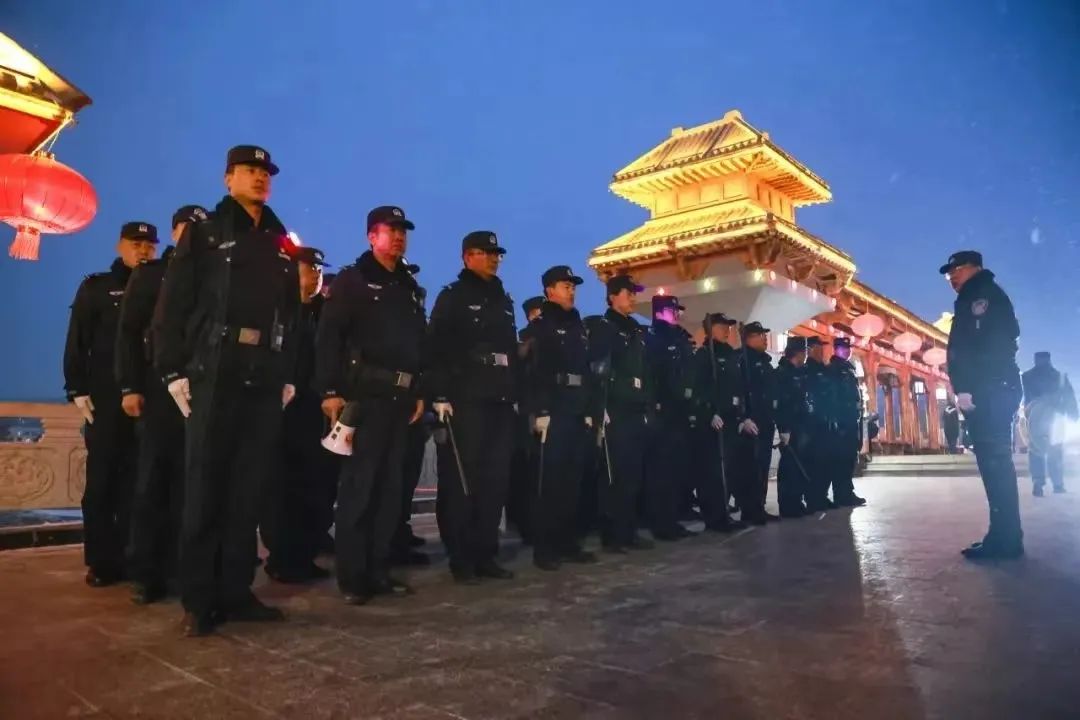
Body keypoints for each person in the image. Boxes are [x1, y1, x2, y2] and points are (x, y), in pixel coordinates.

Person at [155, 145, 299, 635]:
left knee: (247, 489)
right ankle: (199, 599)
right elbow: (174, 303)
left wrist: (288, 373)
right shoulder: (207, 232)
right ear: (228, 178)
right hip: (216, 368)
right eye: (249, 171)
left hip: (264, 372)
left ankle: (237, 591)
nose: (259, 178)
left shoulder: (280, 240)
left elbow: (291, 314)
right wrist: (172, 371)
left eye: (265, 173)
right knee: (205, 486)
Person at [315, 205, 426, 604]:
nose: (398, 237)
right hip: (365, 398)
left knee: (389, 492)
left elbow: (418, 343)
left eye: (402, 231)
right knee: (359, 490)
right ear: (371, 236)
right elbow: (329, 337)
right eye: (389, 230)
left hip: (401, 399)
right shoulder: (354, 280)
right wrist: (330, 389)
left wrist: (419, 390)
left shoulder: (407, 286)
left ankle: (379, 570)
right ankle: (353, 577)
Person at [117, 208, 203, 604]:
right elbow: (129, 334)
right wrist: (130, 386)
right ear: (173, 233)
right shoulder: (151, 275)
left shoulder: (211, 276)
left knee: (192, 484)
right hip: (158, 389)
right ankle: (146, 572)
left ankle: (184, 569)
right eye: (186, 228)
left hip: (200, 390)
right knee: (153, 480)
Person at [65, 221, 157, 587]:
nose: (143, 250)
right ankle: (102, 562)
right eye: (136, 243)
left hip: (149, 399)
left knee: (141, 483)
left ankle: (138, 557)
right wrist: (76, 388)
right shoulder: (97, 288)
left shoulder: (161, 288)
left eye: (149, 245)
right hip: (105, 399)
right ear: (120, 245)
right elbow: (78, 340)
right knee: (102, 481)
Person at [427, 231, 519, 583]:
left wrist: (514, 393)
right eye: (486, 252)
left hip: (499, 400)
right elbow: (436, 348)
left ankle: (486, 553)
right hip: (466, 400)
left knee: (495, 482)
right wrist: (439, 394)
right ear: (467, 257)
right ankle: (461, 557)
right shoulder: (453, 297)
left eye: (497, 253)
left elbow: (510, 351)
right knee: (462, 481)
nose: (494, 258)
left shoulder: (503, 299)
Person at [261, 245, 339, 583]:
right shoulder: (277, 309)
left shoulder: (324, 313)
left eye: (319, 270)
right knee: (282, 489)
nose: (316, 276)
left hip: (315, 411)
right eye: (309, 269)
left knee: (315, 485)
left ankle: (305, 552)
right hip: (281, 413)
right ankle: (281, 558)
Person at [940, 250, 1024, 560]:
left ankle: (1005, 540)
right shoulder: (972, 297)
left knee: (996, 465)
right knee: (993, 466)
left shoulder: (984, 297)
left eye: (957, 269)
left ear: (975, 268)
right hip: (988, 390)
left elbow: (991, 348)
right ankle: (1004, 535)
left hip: (991, 391)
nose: (952, 276)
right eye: (949, 273)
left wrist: (971, 387)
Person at [524, 266, 596, 570]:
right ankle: (545, 548)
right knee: (549, 482)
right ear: (549, 290)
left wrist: (589, 409)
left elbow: (586, 369)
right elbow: (534, 371)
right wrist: (540, 411)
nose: (571, 291)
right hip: (553, 409)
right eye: (566, 286)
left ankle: (568, 542)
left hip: (576, 409)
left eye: (573, 286)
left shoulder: (578, 325)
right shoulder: (541, 326)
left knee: (572, 482)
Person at [586, 276, 657, 552]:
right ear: (613, 296)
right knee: (614, 474)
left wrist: (647, 404)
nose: (633, 298)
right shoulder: (605, 328)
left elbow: (644, 371)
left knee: (633, 475)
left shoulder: (635, 330)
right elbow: (596, 369)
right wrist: (599, 407)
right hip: (614, 409)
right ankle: (612, 534)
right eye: (629, 293)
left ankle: (628, 531)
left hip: (636, 408)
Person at [644, 295, 698, 540]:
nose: (676, 314)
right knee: (662, 471)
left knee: (677, 470)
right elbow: (653, 376)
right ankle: (662, 523)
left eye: (677, 310)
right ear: (659, 312)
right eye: (671, 310)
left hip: (680, 411)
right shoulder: (654, 338)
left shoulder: (680, 337)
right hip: (663, 412)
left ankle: (673, 519)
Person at [692, 312, 748, 531]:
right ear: (711, 328)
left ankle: (723, 513)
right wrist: (709, 413)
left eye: (728, 326)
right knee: (713, 473)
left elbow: (738, 387)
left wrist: (741, 415)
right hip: (713, 422)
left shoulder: (730, 355)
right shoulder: (704, 355)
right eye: (722, 326)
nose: (727, 330)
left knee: (728, 470)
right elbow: (698, 388)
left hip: (731, 421)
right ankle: (714, 518)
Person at [506, 296, 546, 544]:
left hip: (542, 411)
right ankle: (526, 524)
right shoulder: (525, 340)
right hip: (526, 413)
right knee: (528, 472)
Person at [733, 322, 778, 525]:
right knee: (751, 469)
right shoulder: (742, 360)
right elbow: (738, 390)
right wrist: (743, 417)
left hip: (766, 421)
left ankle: (759, 506)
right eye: (761, 335)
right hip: (751, 422)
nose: (765, 339)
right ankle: (749, 510)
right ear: (749, 338)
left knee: (762, 468)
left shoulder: (764, 361)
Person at [1021, 352, 1077, 495]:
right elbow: (1069, 397)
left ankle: (1038, 482)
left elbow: (1024, 397)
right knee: (1055, 449)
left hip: (1035, 416)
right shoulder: (1060, 376)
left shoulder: (1027, 377)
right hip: (1055, 417)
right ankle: (1057, 484)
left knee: (1036, 449)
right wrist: (1073, 414)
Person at [825, 337, 867, 507]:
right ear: (836, 349)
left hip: (851, 420)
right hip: (841, 422)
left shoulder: (848, 369)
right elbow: (832, 398)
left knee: (850, 458)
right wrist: (836, 421)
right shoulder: (834, 369)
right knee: (841, 460)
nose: (847, 351)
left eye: (848, 348)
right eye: (843, 348)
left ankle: (847, 492)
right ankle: (842, 494)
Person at [773, 336, 811, 518]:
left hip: (801, 425)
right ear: (798, 353)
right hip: (789, 427)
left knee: (799, 466)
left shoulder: (800, 372)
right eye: (804, 352)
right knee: (789, 467)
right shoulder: (783, 373)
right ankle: (787, 505)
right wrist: (784, 429)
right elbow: (782, 404)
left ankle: (796, 501)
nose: (805, 356)